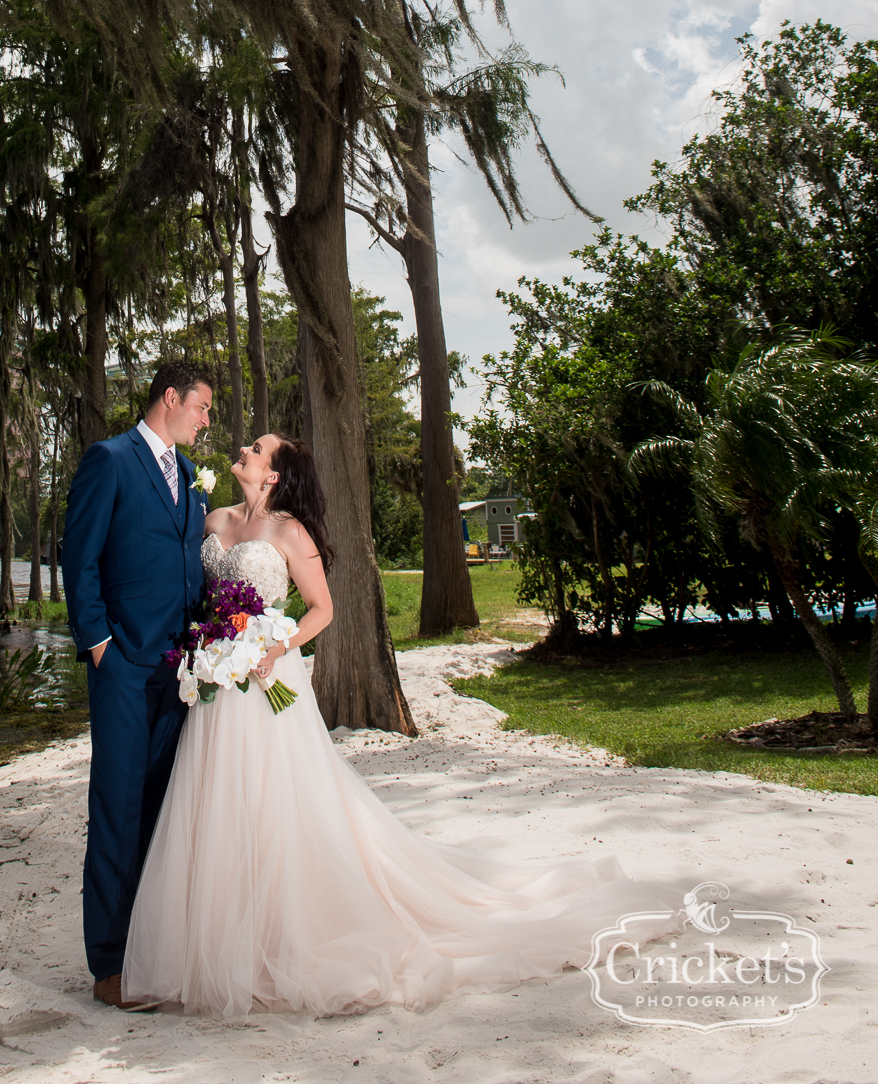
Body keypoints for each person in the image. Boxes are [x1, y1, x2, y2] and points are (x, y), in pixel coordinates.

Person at [122, 432, 673, 1020]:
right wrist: (207, 645)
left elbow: (322, 610)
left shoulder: (289, 531)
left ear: (275, 474)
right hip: (214, 690)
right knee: (216, 808)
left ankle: (279, 938)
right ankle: (220, 937)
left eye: (257, 448)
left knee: (274, 806)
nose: (245, 450)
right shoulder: (215, 519)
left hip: (266, 689)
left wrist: (275, 645)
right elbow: (200, 596)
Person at [60, 359, 212, 1007]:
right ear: (170, 399)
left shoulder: (193, 483)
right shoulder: (110, 460)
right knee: (117, 812)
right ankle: (110, 966)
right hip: (122, 668)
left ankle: (153, 950)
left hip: (179, 671)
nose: (207, 419)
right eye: (201, 407)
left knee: (161, 812)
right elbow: (78, 555)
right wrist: (98, 645)